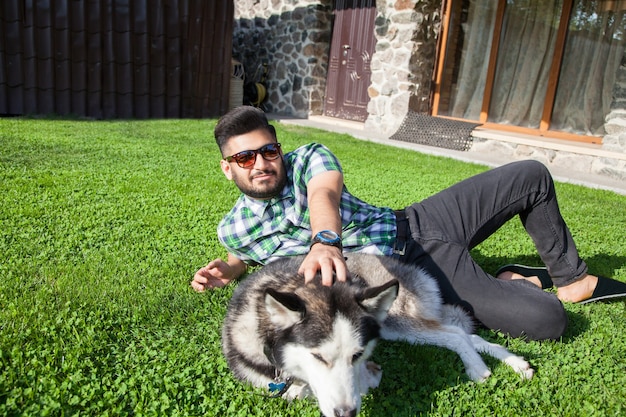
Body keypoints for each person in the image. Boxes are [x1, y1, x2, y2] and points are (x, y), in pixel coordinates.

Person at [192, 106, 626, 341]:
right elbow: (242, 257)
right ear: (228, 169)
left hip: (415, 220)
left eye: (269, 151)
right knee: (546, 321)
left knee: (529, 174)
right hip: (410, 272)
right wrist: (223, 271)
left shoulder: (306, 158)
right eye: (245, 158)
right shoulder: (236, 229)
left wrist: (325, 240)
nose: (262, 163)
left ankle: (571, 278)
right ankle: (516, 280)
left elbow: (324, 193)